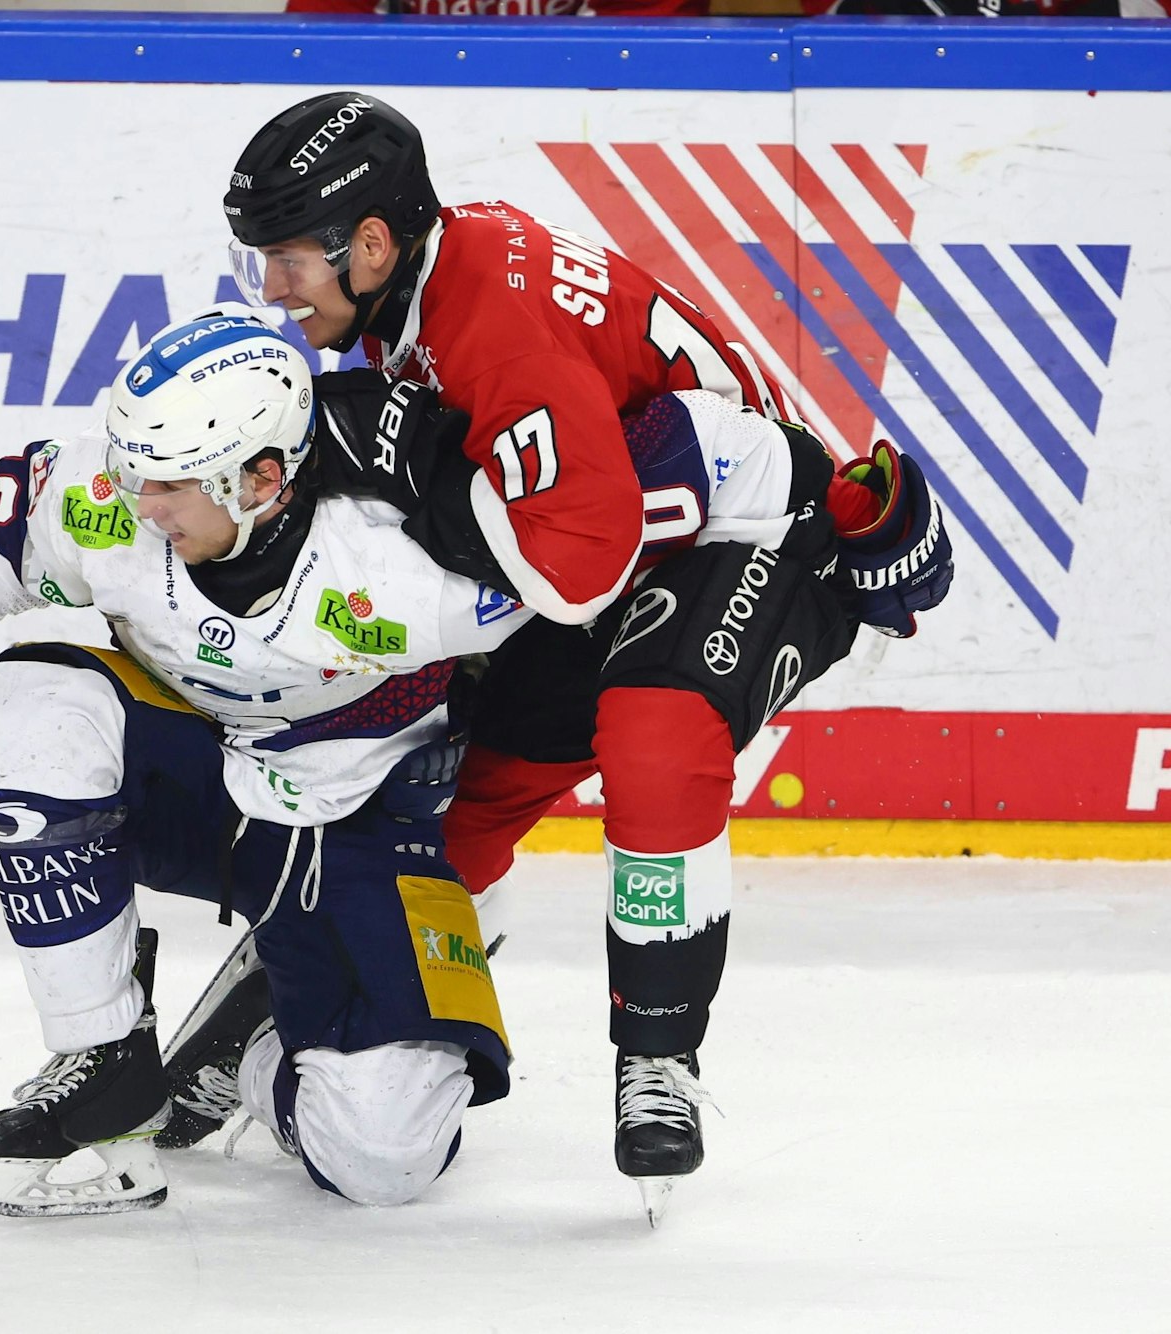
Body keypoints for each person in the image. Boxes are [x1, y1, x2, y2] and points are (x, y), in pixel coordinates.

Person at [165, 91, 954, 1216]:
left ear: (372, 243)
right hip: (633, 535)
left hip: (756, 532)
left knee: (653, 728)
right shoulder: (427, 278)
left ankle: (659, 1055)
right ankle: (283, 1017)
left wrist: (410, 457)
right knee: (448, 810)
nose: (274, 287)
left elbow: (576, 564)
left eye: (287, 259)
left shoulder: (492, 326)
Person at [0, 307, 525, 1216]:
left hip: (355, 823)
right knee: (34, 699)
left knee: (386, 1162)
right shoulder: (104, 499)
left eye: (170, 483)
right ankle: (102, 1055)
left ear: (262, 478)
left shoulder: (413, 563)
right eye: (133, 470)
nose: (141, 503)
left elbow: (591, 589)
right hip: (192, 782)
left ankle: (261, 1044)